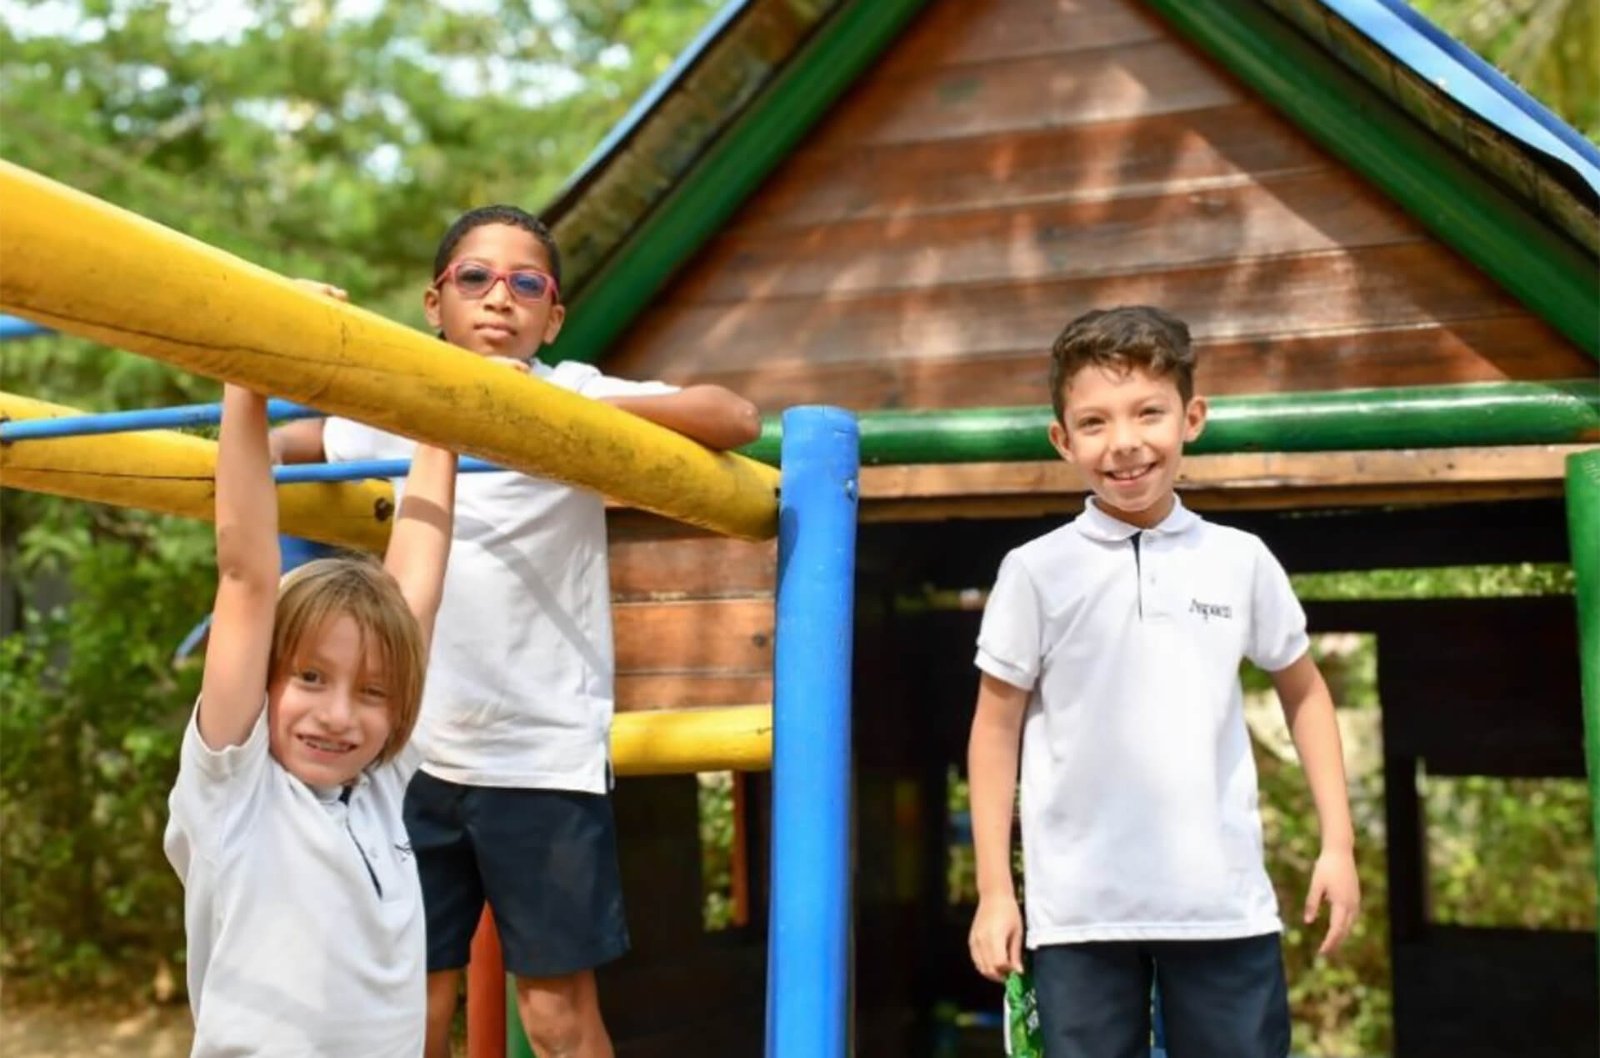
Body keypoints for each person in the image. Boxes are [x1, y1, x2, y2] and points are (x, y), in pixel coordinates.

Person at [273, 204, 761, 1058]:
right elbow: (290, 442)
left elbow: (735, 418)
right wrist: (218, 429)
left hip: (540, 753)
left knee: (554, 1013)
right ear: (435, 302)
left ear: (552, 315)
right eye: (476, 278)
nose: (500, 298)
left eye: (525, 283)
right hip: (410, 754)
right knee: (413, 1002)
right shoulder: (400, 404)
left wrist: (587, 426)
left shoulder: (571, 393)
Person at [965, 306, 1361, 1057]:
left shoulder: (1241, 559)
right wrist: (995, 891)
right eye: (1094, 422)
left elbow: (1304, 691)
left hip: (1222, 908)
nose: (1124, 443)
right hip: (1077, 917)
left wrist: (1336, 845)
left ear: (1192, 417)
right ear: (1062, 439)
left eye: (1149, 412)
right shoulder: (1035, 571)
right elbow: (994, 730)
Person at [165, 381, 457, 1057]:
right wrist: (248, 384)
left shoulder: (379, 786)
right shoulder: (236, 790)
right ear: (264, 678)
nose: (338, 715)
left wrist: (447, 422)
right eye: (310, 677)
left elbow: (419, 590)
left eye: (371, 693)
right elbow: (246, 576)